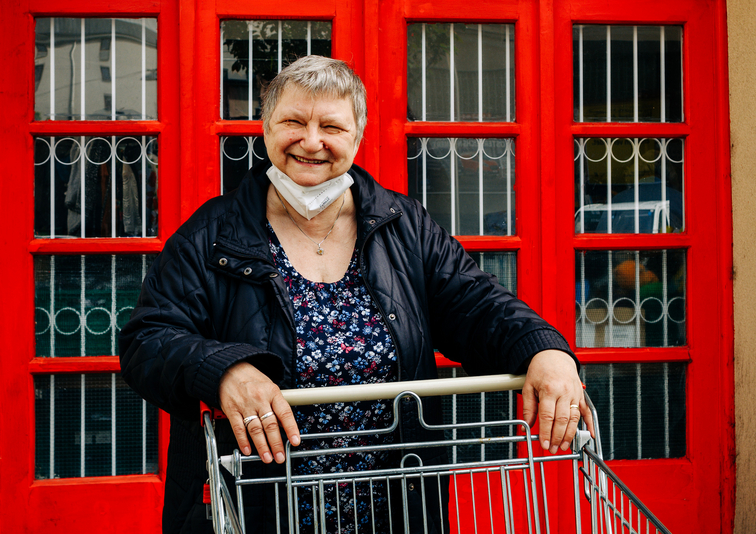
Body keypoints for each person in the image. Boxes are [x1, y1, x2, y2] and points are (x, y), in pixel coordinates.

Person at [120, 55, 593, 534]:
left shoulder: (404, 226)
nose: (311, 141)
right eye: (293, 121)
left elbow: (476, 303)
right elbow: (147, 340)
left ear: (357, 136)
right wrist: (224, 370)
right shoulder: (211, 234)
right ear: (265, 129)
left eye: (332, 126)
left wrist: (545, 350)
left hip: (394, 508)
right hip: (261, 510)